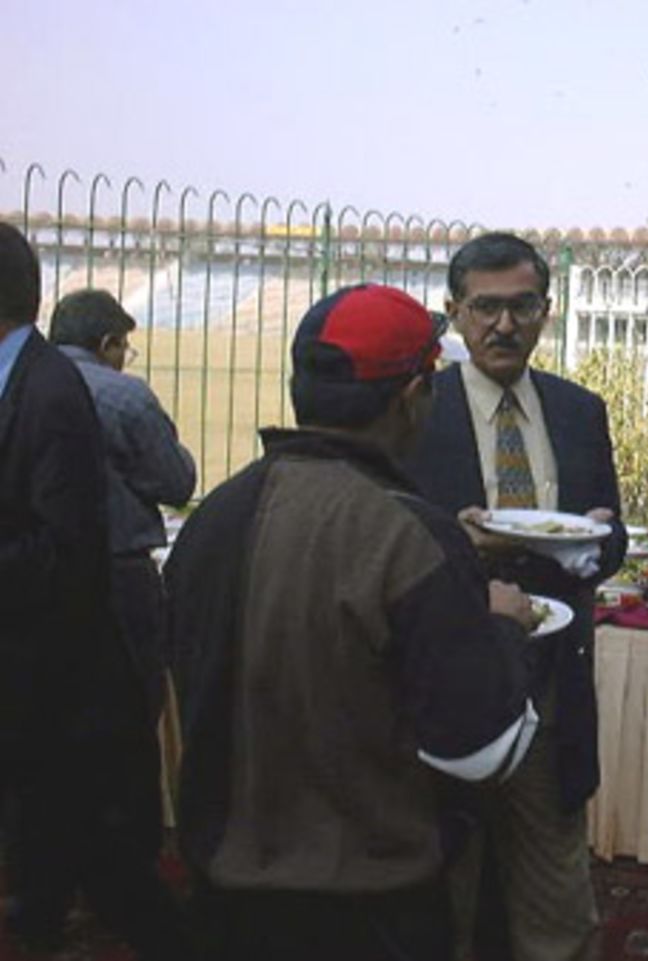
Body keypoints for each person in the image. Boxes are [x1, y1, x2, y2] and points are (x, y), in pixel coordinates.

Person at [165, 283, 538, 961]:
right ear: (411, 399)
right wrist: (503, 627)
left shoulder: (211, 518)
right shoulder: (412, 536)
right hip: (372, 906)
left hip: (221, 896)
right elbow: (481, 748)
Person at [403, 232, 626, 961]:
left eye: (521, 306)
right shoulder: (415, 408)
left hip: (551, 680)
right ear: (454, 313)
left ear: (546, 311)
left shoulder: (577, 410)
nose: (504, 325)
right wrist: (454, 543)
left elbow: (611, 537)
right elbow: (385, 532)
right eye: (486, 307)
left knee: (555, 882)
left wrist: (593, 541)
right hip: (448, 680)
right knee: (444, 879)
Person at [0, 225, 189, 959]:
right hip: (54, 667)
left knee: (106, 858)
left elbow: (61, 550)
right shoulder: (36, 381)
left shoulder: (47, 391)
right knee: (73, 838)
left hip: (58, 669)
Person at [49, 289, 196, 724]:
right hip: (118, 573)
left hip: (30, 565)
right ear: (106, 343)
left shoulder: (18, 383)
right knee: (130, 707)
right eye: (122, 349)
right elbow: (176, 481)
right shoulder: (124, 396)